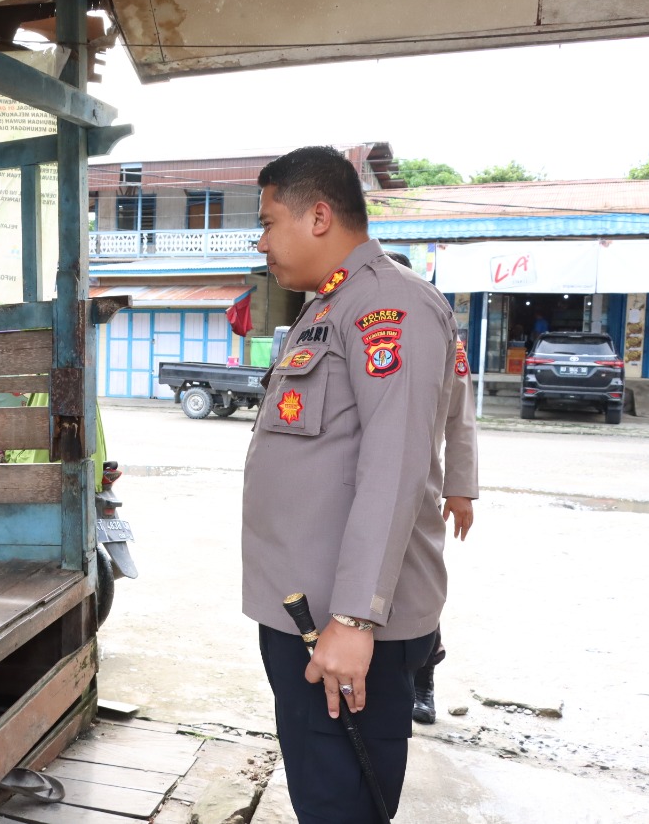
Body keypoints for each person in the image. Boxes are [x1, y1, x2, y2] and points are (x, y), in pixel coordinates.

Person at [244, 146, 464, 821]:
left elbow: (395, 466)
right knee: (321, 790)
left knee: (342, 804)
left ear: (318, 217)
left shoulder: (388, 306)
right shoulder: (327, 307)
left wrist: (354, 618)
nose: (261, 242)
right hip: (306, 614)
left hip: (342, 628)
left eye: (268, 222)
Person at [382, 253, 480, 724]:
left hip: (418, 486)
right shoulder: (356, 326)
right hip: (354, 484)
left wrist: (460, 488)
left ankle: (423, 680)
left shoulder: (440, 333)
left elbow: (461, 416)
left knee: (416, 584)